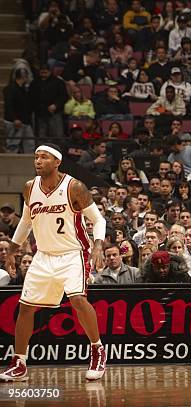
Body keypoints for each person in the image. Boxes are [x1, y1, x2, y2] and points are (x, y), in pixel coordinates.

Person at [0, 144, 107, 382]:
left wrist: (98, 245)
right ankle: (19, 363)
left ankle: (98, 350)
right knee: (26, 307)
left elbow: (98, 220)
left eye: (44, 157)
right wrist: (12, 251)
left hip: (73, 253)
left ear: (57, 161)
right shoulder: (30, 188)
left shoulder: (74, 187)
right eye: (36, 157)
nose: (38, 161)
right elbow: (25, 223)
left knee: (78, 299)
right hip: (44, 255)